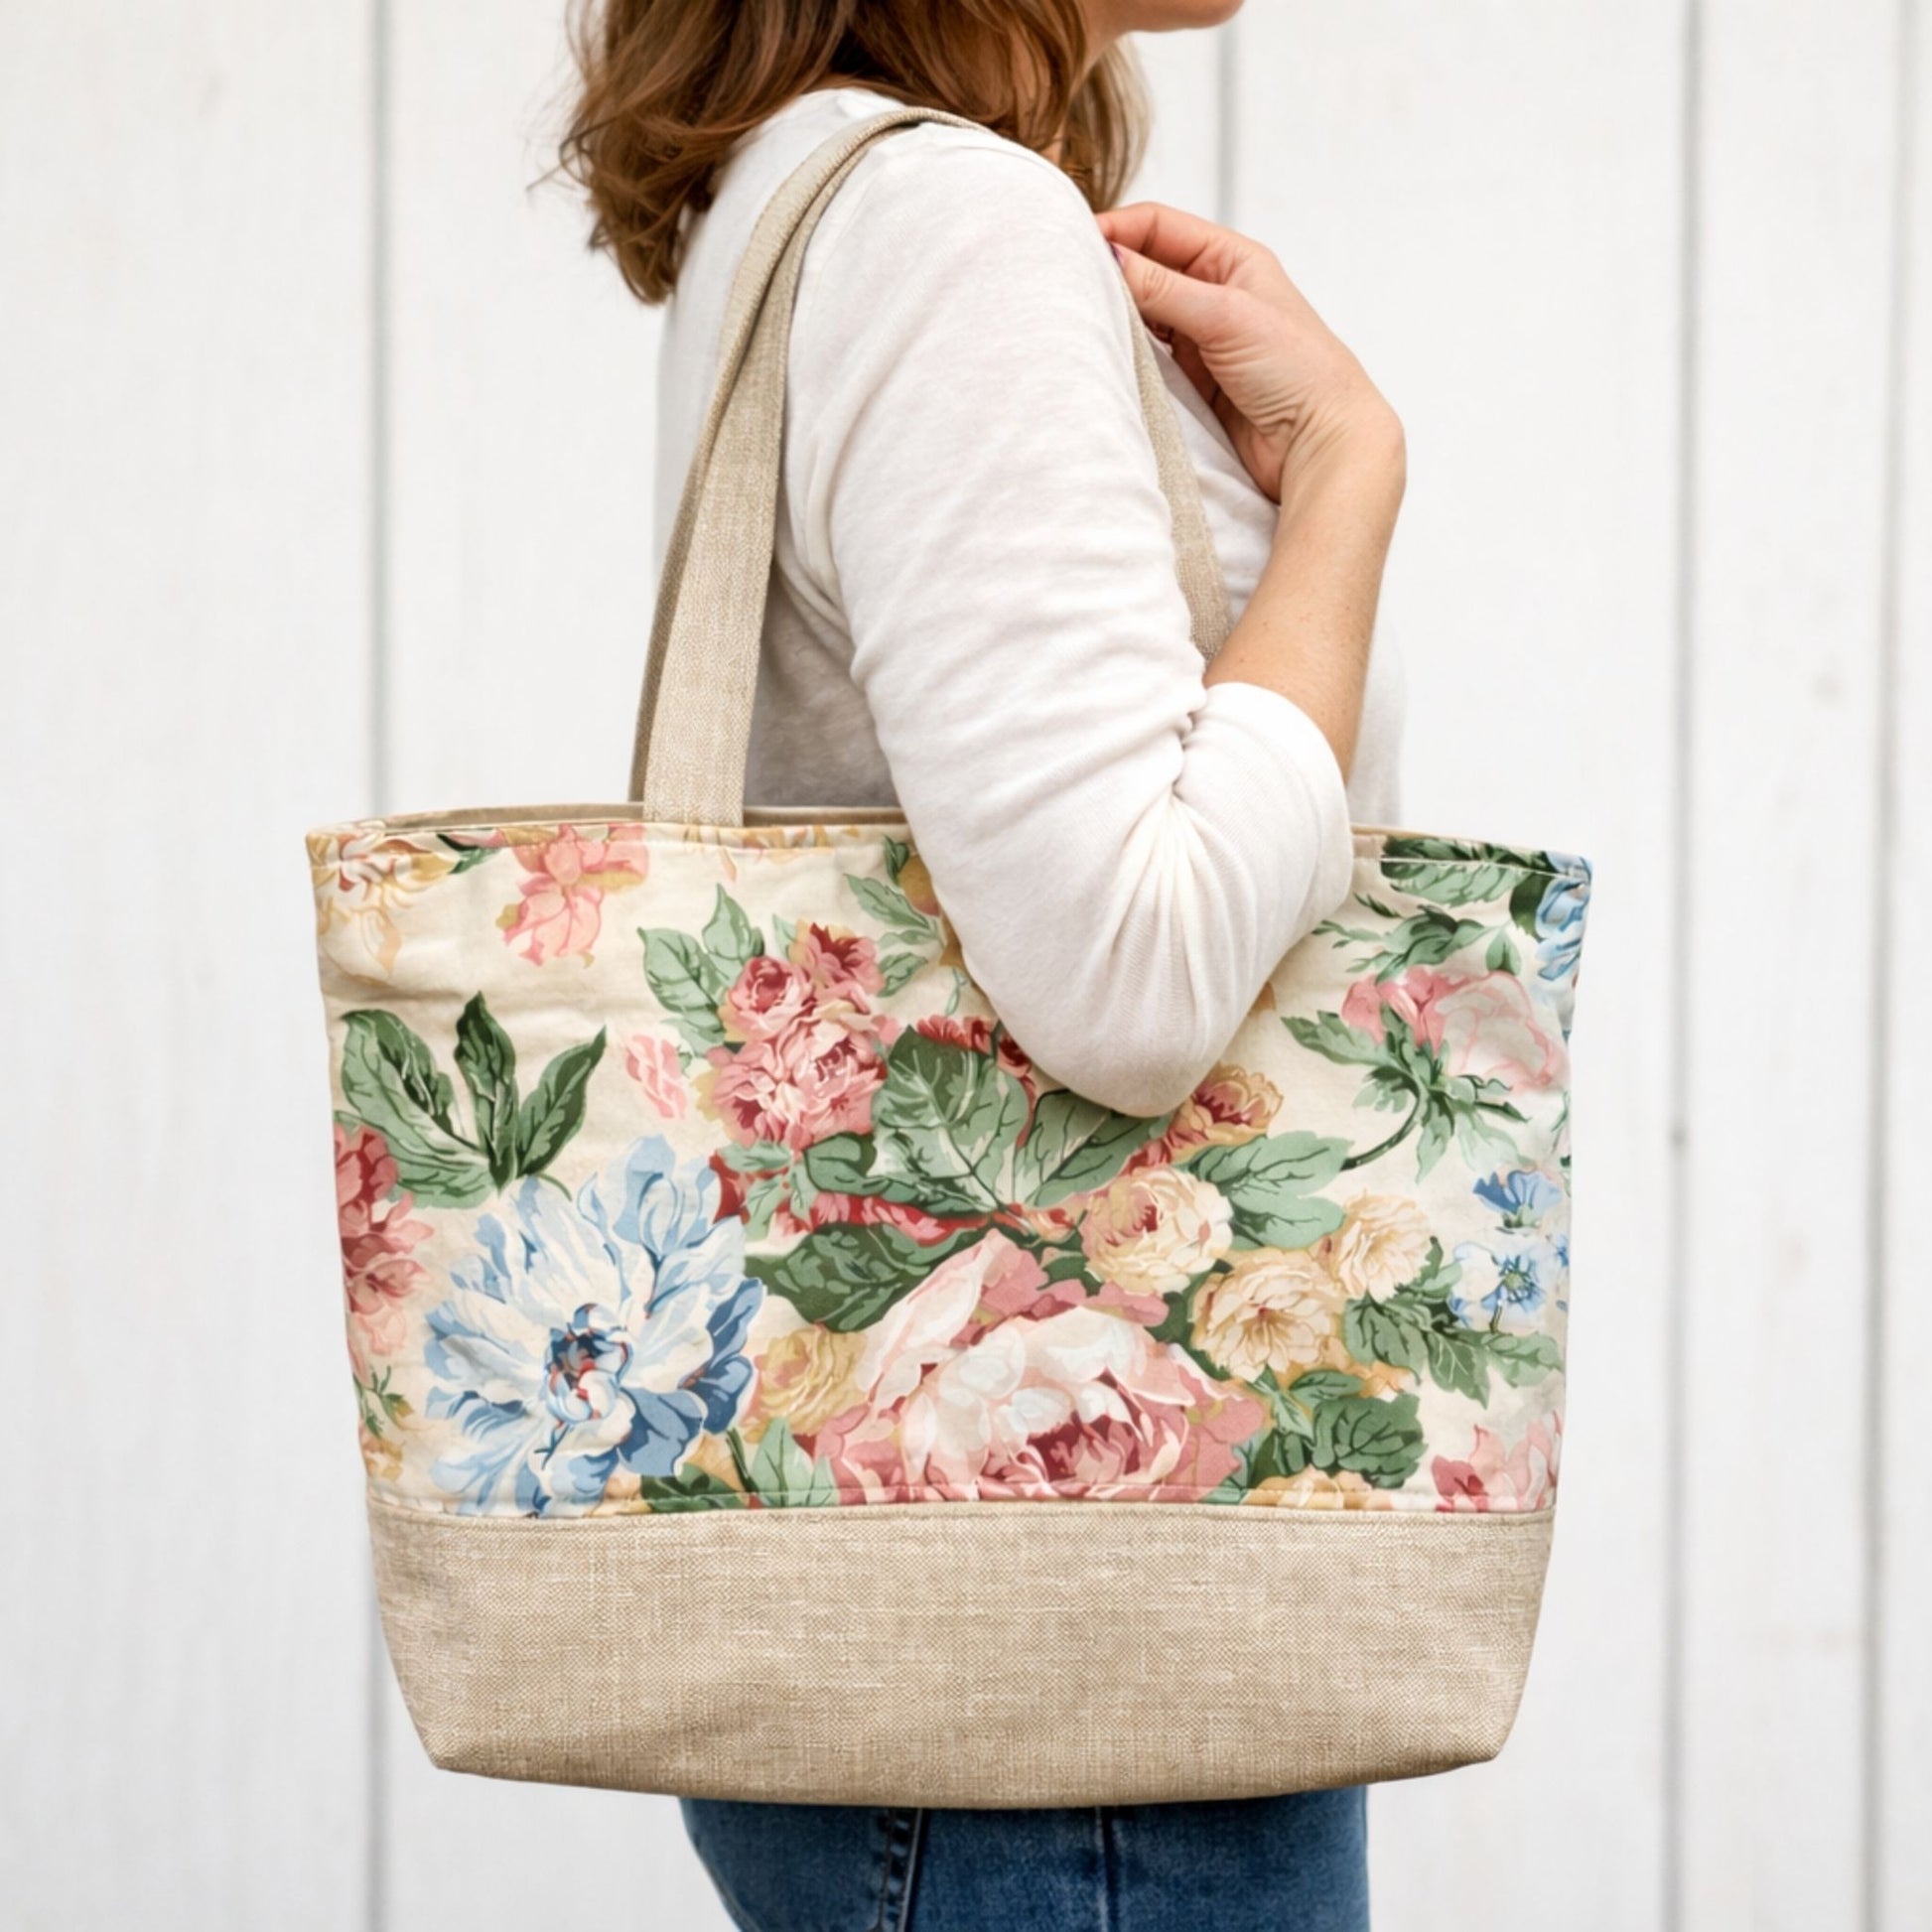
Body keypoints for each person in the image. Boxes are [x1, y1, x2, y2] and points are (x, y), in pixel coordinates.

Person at [562, 2, 1406, 1925]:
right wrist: (1344, 476)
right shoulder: (949, 229)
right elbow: (1134, 959)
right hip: (1066, 1707)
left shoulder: (830, 183)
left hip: (1005, 1698)